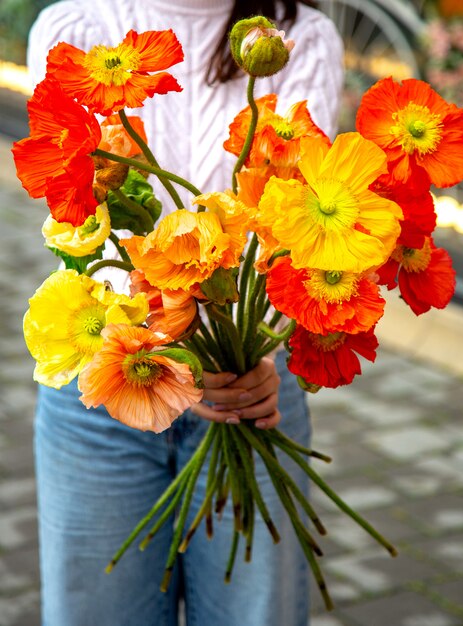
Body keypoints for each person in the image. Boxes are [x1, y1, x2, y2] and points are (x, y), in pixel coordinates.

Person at [28, 1, 344, 624]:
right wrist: (171, 351)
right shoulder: (72, 29)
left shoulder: (300, 38)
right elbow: (78, 214)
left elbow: (298, 233)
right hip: (104, 388)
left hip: (248, 388)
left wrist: (248, 357)